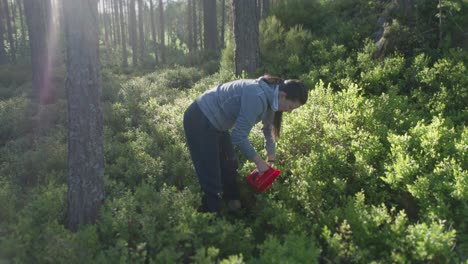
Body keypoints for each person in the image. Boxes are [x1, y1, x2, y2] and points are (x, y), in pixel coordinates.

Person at [183, 75, 308, 213]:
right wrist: (258, 161)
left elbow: (268, 130)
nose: (289, 111)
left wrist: (271, 158)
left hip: (218, 124)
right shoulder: (257, 96)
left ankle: (233, 203)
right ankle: (211, 219)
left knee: (230, 163)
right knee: (211, 173)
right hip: (200, 118)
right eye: (290, 107)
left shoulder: (273, 99)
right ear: (283, 95)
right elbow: (238, 137)